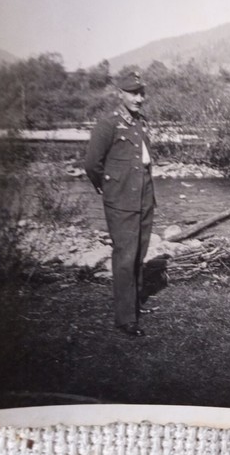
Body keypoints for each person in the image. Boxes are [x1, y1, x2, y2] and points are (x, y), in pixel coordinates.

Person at [85, 70, 156, 337]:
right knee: (125, 256)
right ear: (120, 94)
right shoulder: (108, 124)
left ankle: (134, 304)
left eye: (141, 93)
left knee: (139, 252)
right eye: (133, 93)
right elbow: (92, 163)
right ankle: (126, 318)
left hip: (145, 194)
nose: (139, 98)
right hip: (121, 197)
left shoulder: (140, 122)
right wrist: (106, 187)